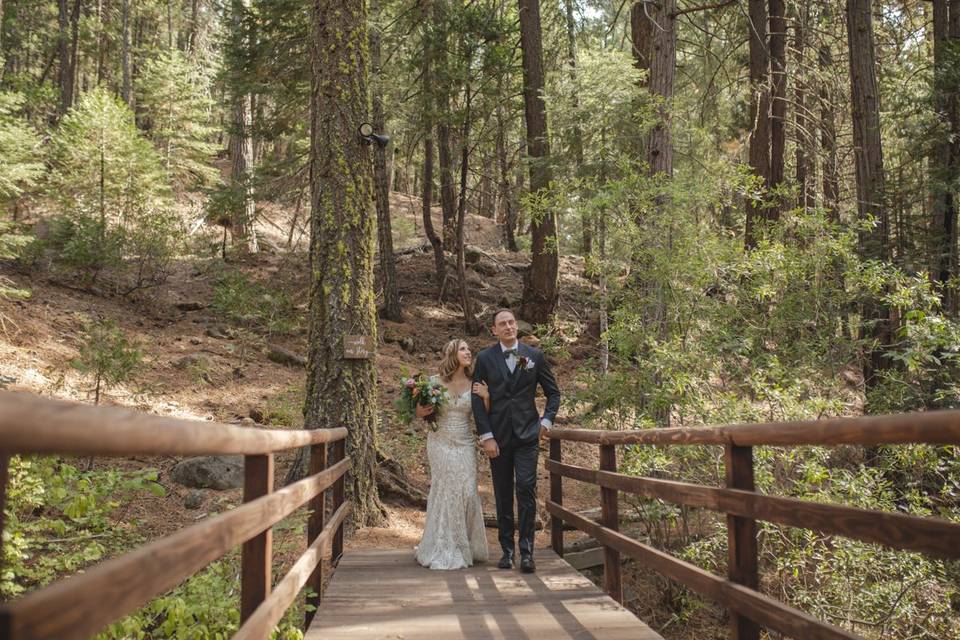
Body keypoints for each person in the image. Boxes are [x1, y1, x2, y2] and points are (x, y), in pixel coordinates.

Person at [471, 308, 561, 573]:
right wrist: (486, 435)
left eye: (511, 322)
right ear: (494, 330)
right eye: (503, 323)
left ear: (516, 326)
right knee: (501, 493)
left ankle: (527, 552)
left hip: (527, 436)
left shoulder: (534, 356)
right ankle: (507, 551)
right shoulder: (485, 358)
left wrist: (546, 421)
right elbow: (478, 399)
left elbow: (553, 393)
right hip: (498, 437)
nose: (509, 326)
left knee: (525, 487)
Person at [414, 339, 490, 570]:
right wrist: (419, 411)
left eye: (469, 349)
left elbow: (484, 416)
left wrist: (487, 397)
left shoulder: (475, 383)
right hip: (439, 441)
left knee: (467, 490)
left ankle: (464, 543)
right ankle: (441, 546)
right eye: (463, 349)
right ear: (452, 353)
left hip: (465, 442)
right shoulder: (434, 382)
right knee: (445, 489)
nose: (469, 352)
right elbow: (419, 412)